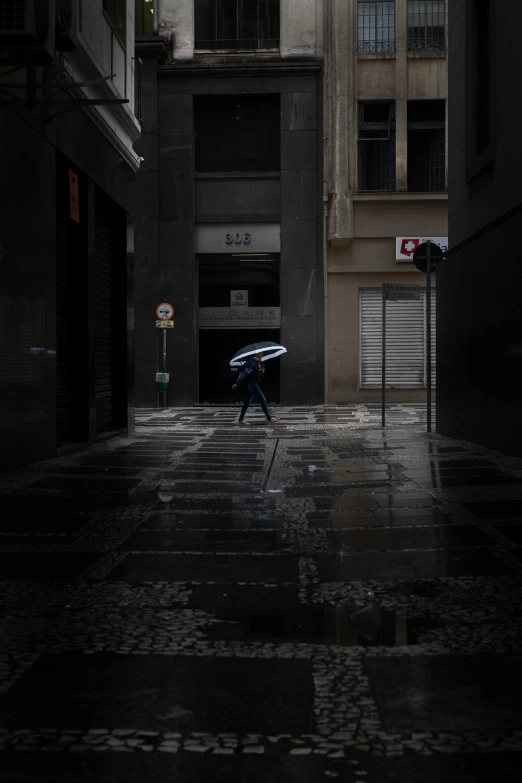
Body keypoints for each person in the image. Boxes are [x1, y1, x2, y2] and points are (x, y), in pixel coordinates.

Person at [232, 353, 279, 426]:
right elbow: (245, 372)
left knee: (246, 403)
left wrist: (261, 364)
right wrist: (237, 382)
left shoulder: (259, 362)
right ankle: (269, 418)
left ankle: (240, 420)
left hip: (253, 384)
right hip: (252, 384)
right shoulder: (252, 361)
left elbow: (262, 372)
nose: (263, 354)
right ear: (257, 353)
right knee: (263, 400)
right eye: (261, 353)